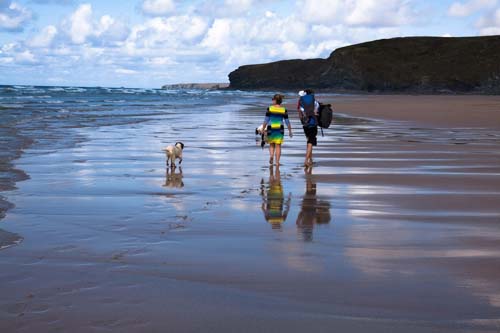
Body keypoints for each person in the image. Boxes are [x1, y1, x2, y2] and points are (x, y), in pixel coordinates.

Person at [262, 94, 292, 165]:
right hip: (280, 128)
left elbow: (266, 120)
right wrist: (290, 130)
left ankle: (271, 156)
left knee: (271, 144)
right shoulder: (283, 110)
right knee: (278, 145)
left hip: (271, 127)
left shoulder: (270, 108)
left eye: (273, 99)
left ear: (275, 100)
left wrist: (263, 128)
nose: (272, 100)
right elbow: (287, 121)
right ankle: (277, 162)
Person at [297, 89, 319, 166]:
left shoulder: (301, 101)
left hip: (305, 123)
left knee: (309, 141)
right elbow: (316, 112)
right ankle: (306, 160)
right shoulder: (315, 102)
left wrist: (302, 121)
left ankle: (310, 159)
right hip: (313, 123)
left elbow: (300, 112)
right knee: (310, 141)